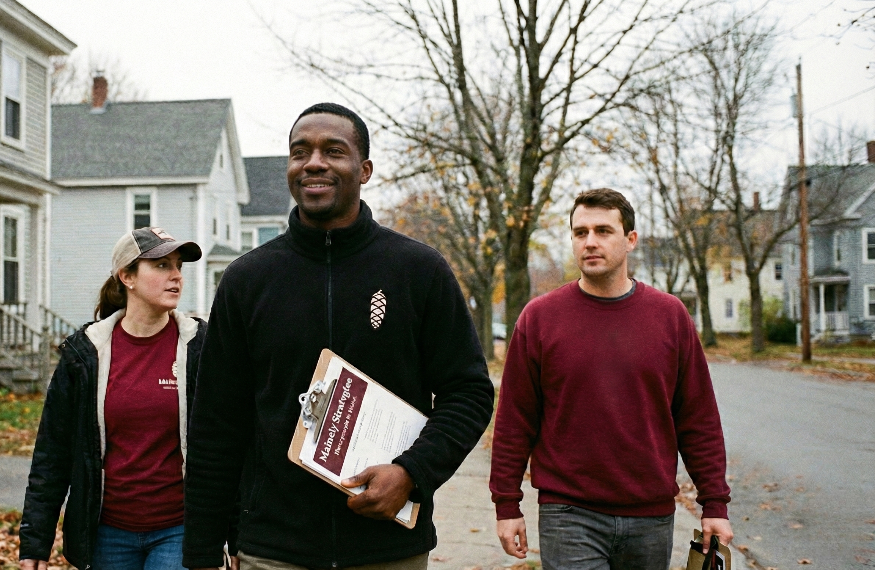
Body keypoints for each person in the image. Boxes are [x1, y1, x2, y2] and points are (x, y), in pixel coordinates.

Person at [182, 103, 495, 570]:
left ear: (364, 169)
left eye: (333, 150)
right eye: (299, 152)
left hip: (387, 550)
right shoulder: (247, 280)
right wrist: (202, 552)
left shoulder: (417, 270)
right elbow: (216, 425)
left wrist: (412, 473)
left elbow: (468, 392)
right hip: (273, 551)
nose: (313, 162)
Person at [490, 188, 733, 569]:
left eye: (603, 230)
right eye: (580, 232)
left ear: (630, 239)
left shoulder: (670, 317)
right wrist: (507, 504)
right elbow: (514, 420)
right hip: (568, 514)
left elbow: (698, 418)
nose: (590, 242)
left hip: (650, 516)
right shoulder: (539, 319)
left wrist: (714, 503)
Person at [19, 227, 208, 570]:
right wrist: (35, 542)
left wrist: (234, 535)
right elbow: (53, 452)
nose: (177, 276)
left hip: (180, 529)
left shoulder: (199, 347)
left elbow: (228, 444)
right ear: (127, 277)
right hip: (106, 534)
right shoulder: (86, 354)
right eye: (162, 265)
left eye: (178, 265)